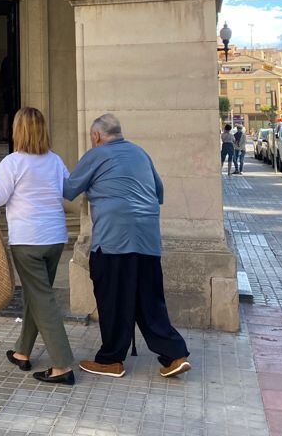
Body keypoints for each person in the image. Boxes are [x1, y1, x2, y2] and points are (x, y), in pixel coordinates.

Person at [64, 114, 190, 380]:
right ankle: (174, 355)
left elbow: (68, 190)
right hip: (148, 240)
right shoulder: (141, 153)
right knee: (150, 300)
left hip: (113, 241)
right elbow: (159, 192)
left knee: (113, 300)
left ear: (97, 136)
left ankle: (111, 360)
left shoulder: (96, 154)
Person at [0, 107, 75, 385]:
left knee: (42, 300)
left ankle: (62, 365)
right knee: (36, 296)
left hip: (28, 240)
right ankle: (22, 352)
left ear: (18, 131)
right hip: (54, 238)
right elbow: (68, 190)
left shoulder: (12, 162)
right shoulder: (55, 160)